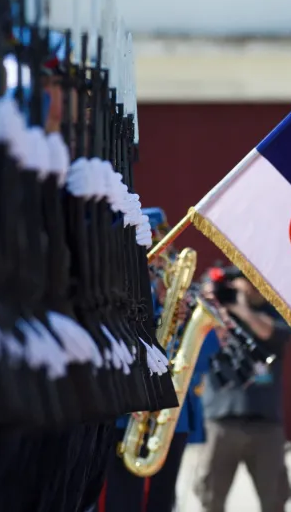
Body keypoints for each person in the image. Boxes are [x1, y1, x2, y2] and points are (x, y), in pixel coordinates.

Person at [100, 207, 217, 512]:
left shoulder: (178, 285)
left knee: (162, 500)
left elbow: (205, 350)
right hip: (128, 410)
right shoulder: (116, 288)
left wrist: (181, 313)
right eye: (153, 243)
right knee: (122, 499)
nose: (161, 254)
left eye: (163, 243)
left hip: (171, 414)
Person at [195, 267, 291, 512]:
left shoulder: (273, 312)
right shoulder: (213, 315)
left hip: (265, 424)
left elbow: (269, 331)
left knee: (274, 500)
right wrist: (212, 300)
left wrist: (241, 308)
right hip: (221, 421)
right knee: (211, 498)